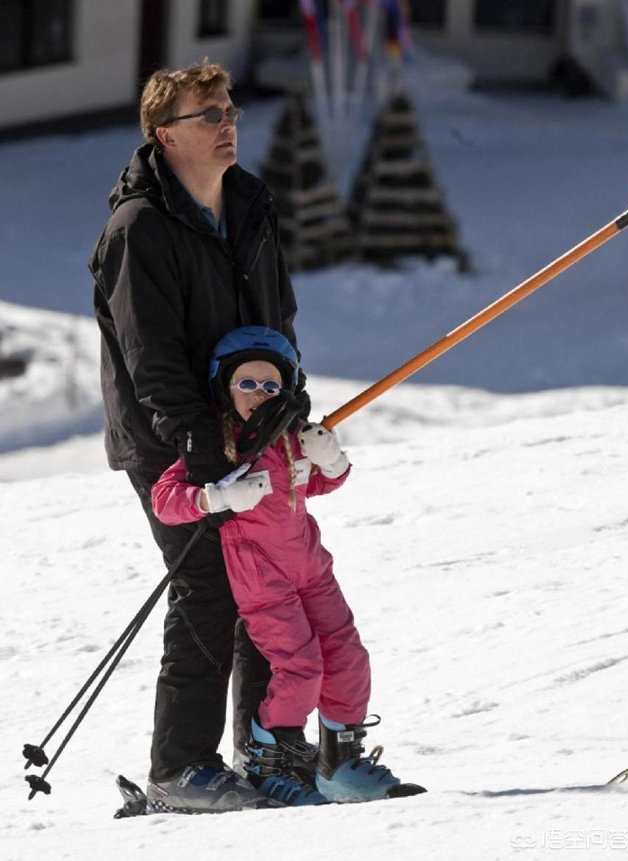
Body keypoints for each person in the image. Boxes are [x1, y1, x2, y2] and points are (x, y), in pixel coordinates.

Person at [89, 60, 309, 813]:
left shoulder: (248, 201)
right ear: (164, 134)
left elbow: (277, 316)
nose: (227, 125)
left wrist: (291, 402)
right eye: (207, 115)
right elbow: (150, 355)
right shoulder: (139, 227)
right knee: (210, 582)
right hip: (168, 438)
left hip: (246, 423)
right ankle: (180, 764)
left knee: (266, 580)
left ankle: (265, 744)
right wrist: (197, 443)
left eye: (229, 111)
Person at [150, 326, 416, 808]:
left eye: (271, 386)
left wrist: (330, 461)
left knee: (349, 657)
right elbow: (166, 501)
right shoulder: (217, 445)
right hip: (262, 578)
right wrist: (217, 496)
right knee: (300, 666)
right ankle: (267, 764)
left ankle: (340, 764)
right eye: (247, 384)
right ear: (225, 388)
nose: (259, 394)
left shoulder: (291, 437)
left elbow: (315, 486)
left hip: (311, 567)